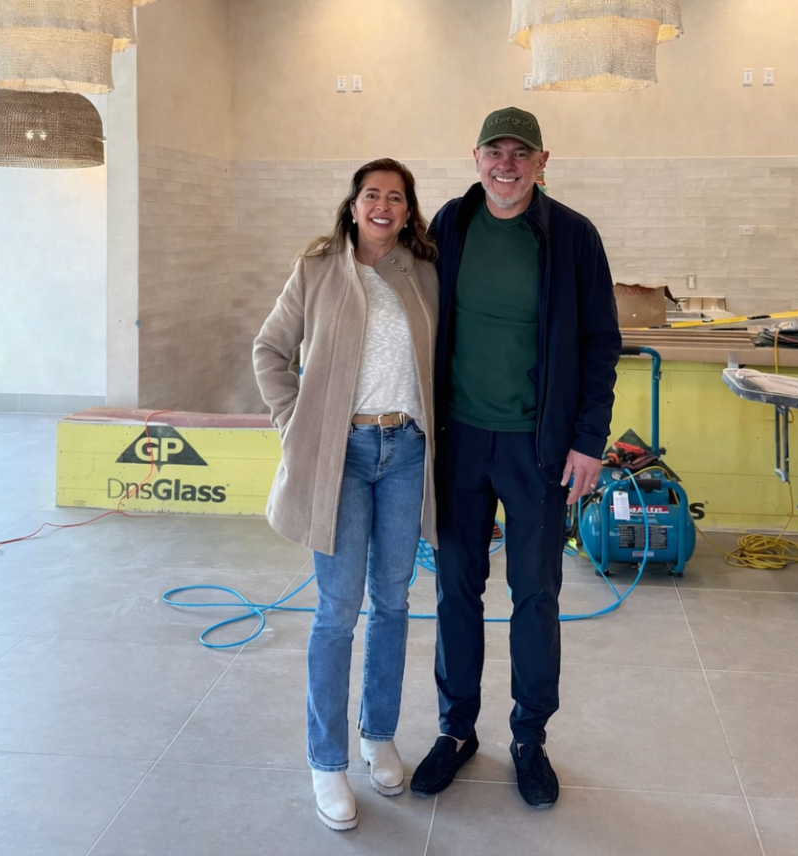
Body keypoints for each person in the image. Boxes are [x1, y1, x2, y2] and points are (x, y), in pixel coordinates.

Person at [410, 107, 622, 809]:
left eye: (520, 153)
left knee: (536, 596)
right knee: (455, 591)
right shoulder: (448, 224)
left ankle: (529, 737)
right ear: (475, 157)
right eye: (495, 151)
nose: (507, 163)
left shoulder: (572, 237)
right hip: (459, 442)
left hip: (538, 449)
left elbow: (599, 343)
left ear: (542, 161)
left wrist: (589, 439)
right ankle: (457, 730)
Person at [253, 159, 438, 831]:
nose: (383, 205)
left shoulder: (423, 274)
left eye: (396, 197)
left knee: (393, 600)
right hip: (343, 457)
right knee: (337, 610)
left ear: (409, 209)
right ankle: (327, 762)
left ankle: (377, 734)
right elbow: (270, 351)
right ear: (353, 205)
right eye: (372, 195)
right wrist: (295, 424)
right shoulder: (318, 270)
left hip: (407, 452)